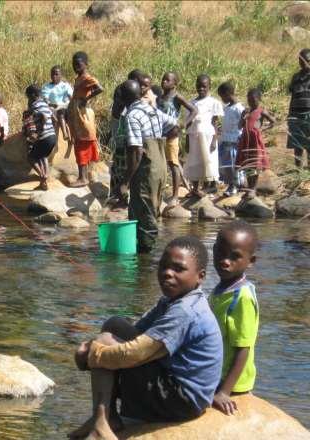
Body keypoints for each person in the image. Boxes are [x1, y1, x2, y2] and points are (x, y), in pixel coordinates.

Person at [69, 236, 222, 440]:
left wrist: (92, 355)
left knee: (104, 343)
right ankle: (107, 417)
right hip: (172, 380)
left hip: (183, 401)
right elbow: (137, 332)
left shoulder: (186, 311)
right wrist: (98, 350)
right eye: (163, 266)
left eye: (178, 269)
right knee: (114, 324)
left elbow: (136, 352)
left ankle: (100, 425)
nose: (168, 273)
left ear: (200, 276)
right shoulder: (171, 300)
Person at [121, 80, 179, 253]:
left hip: (145, 169)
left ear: (123, 98)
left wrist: (125, 182)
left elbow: (136, 151)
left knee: (145, 214)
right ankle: (144, 251)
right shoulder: (152, 110)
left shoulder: (132, 116)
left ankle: (145, 262)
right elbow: (175, 125)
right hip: (160, 167)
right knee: (149, 210)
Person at [210, 220, 260, 416]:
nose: (225, 261)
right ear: (213, 250)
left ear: (251, 261)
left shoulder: (242, 297)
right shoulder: (222, 287)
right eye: (221, 253)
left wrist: (224, 392)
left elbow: (243, 348)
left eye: (235, 257)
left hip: (232, 381)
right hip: (217, 372)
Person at [158, 72, 198, 206]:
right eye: (163, 79)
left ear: (175, 84)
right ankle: (160, 193)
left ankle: (175, 196)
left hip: (172, 135)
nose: (164, 82)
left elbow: (194, 110)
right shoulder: (159, 98)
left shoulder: (176, 97)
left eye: (168, 80)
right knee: (161, 165)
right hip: (159, 135)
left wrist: (185, 124)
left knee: (173, 164)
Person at [67, 51, 104, 187]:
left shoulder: (87, 77)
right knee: (80, 142)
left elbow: (100, 88)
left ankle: (83, 178)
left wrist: (86, 99)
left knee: (83, 144)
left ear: (86, 64)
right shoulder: (78, 78)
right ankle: (85, 175)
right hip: (77, 114)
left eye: (78, 64)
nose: (75, 66)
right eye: (73, 64)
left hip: (82, 115)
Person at [184, 74, 224, 197]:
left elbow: (216, 123)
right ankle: (195, 188)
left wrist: (214, 140)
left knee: (208, 161)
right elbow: (188, 123)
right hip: (193, 136)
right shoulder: (191, 103)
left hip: (208, 136)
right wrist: (187, 140)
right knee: (194, 161)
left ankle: (210, 187)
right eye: (199, 86)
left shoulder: (214, 103)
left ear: (209, 87)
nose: (201, 89)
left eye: (204, 86)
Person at [109, 69, 144, 207]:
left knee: (126, 164)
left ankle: (123, 195)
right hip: (122, 133)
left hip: (127, 135)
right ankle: (119, 195)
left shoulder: (135, 96)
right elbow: (116, 112)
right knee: (120, 164)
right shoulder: (123, 92)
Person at [236, 88, 276, 198]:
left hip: (255, 141)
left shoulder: (261, 111)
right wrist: (243, 119)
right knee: (248, 164)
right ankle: (249, 188)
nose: (251, 102)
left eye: (253, 100)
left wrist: (262, 129)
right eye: (249, 100)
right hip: (246, 140)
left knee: (255, 164)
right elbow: (239, 126)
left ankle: (253, 189)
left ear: (259, 99)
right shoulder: (246, 111)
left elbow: (273, 121)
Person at [24, 84, 57, 191]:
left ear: (33, 95)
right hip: (52, 136)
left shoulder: (35, 105)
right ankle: (43, 183)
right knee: (43, 156)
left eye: (28, 96)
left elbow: (43, 117)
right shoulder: (45, 103)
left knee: (30, 157)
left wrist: (40, 130)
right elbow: (54, 118)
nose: (28, 99)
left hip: (44, 137)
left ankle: (42, 175)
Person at [218, 82, 246, 196]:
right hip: (225, 140)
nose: (222, 99)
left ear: (228, 94)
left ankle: (235, 186)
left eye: (222, 96)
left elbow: (243, 124)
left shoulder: (239, 108)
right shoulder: (226, 108)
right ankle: (230, 184)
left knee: (234, 165)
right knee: (227, 165)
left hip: (235, 140)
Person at [287, 48, 310, 168]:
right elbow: (293, 96)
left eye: (305, 60)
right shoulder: (295, 77)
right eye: (300, 60)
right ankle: (298, 171)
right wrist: (290, 114)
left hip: (308, 115)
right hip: (295, 115)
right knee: (297, 145)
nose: (302, 63)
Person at [41, 65, 73, 143]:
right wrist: (50, 104)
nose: (54, 76)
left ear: (61, 75)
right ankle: (65, 133)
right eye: (52, 74)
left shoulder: (65, 85)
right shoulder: (46, 87)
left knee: (66, 112)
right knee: (59, 112)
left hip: (65, 106)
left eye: (56, 74)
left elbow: (71, 97)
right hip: (53, 108)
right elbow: (45, 98)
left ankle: (71, 135)